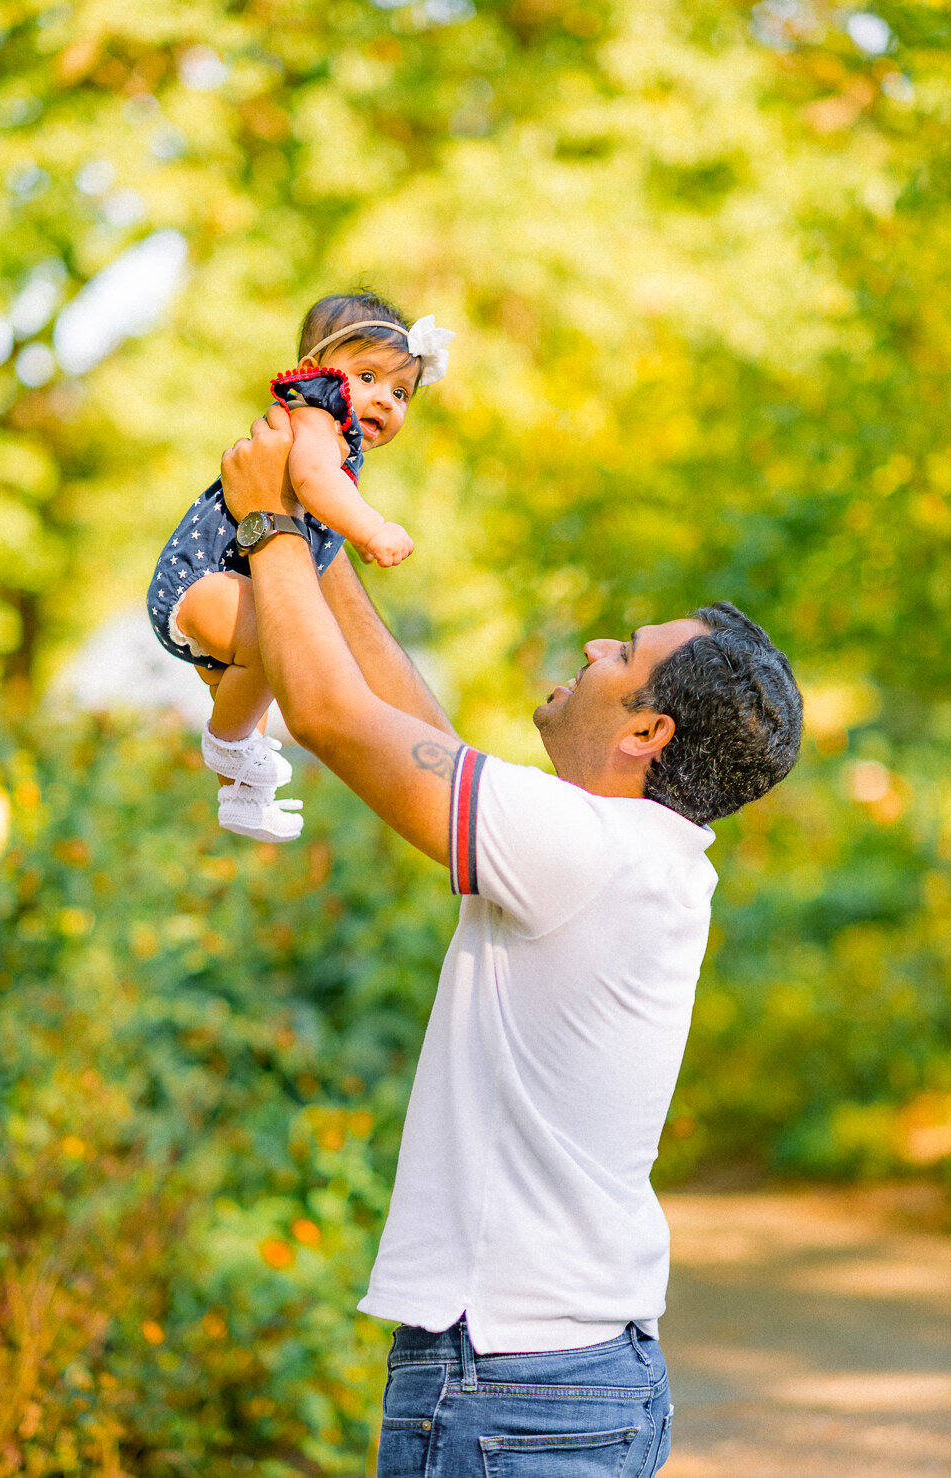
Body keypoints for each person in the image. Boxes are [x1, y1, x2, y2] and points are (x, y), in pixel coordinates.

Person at [218, 406, 803, 1478]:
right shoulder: (629, 850)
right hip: (575, 1372)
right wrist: (325, 537)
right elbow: (410, 726)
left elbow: (335, 720)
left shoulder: (587, 851)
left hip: (507, 1379)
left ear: (644, 729)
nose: (593, 646)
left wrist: (266, 522)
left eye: (622, 652)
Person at [146, 290, 453, 842]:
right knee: (276, 644)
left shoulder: (339, 432)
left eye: (401, 391)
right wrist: (371, 528)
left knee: (273, 657)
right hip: (200, 579)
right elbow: (313, 477)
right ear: (320, 371)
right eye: (367, 377)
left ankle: (243, 797)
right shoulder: (315, 412)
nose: (384, 400)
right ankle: (226, 743)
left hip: (232, 585)